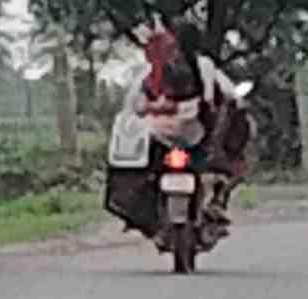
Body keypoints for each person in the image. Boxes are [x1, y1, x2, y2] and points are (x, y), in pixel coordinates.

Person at [103, 20, 254, 240]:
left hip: (163, 137)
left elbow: (135, 106)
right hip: (193, 136)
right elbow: (223, 97)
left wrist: (153, 110)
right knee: (220, 166)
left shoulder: (153, 72)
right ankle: (211, 204)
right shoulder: (203, 66)